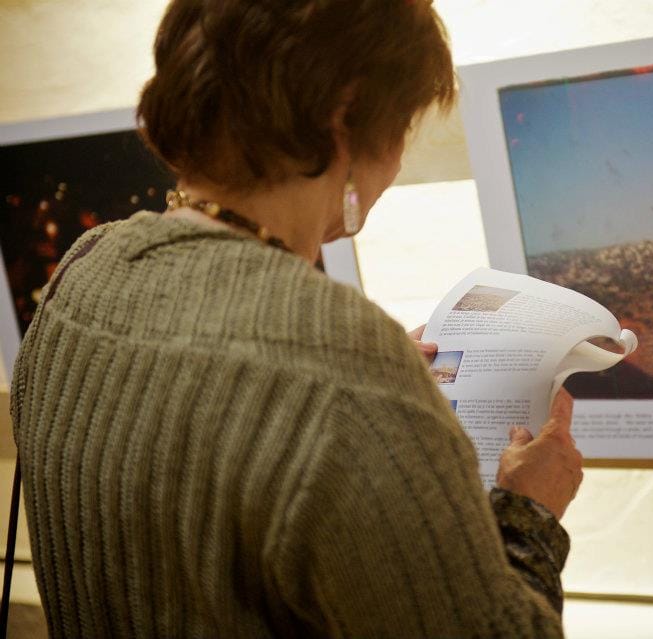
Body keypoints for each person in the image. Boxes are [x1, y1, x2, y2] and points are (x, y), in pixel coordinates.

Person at [10, 1, 584, 637]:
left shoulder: (85, 268)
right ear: (347, 114)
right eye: (404, 124)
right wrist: (528, 514)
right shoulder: (340, 359)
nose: (395, 161)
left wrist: (369, 373)